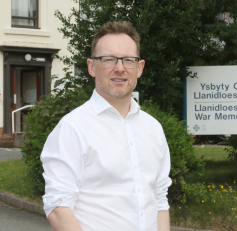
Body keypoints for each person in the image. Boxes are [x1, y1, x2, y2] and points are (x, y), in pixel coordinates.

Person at [41, 21, 172, 231]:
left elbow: (160, 200)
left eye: (128, 60)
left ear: (139, 68)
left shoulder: (153, 129)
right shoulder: (72, 128)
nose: (119, 68)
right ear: (92, 67)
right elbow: (58, 207)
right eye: (109, 59)